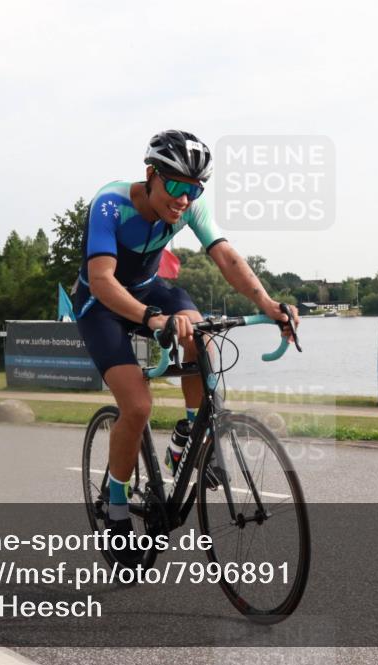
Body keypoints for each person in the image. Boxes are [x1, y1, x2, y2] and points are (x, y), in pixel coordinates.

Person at [72, 130, 299, 559]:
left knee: (202, 336)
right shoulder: (111, 204)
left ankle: (187, 438)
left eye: (194, 189)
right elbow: (102, 280)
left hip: (149, 288)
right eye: (176, 185)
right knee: (137, 407)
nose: (183, 199)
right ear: (151, 175)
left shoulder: (189, 207)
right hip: (101, 304)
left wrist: (269, 304)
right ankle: (116, 503)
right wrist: (150, 318)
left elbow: (227, 257)